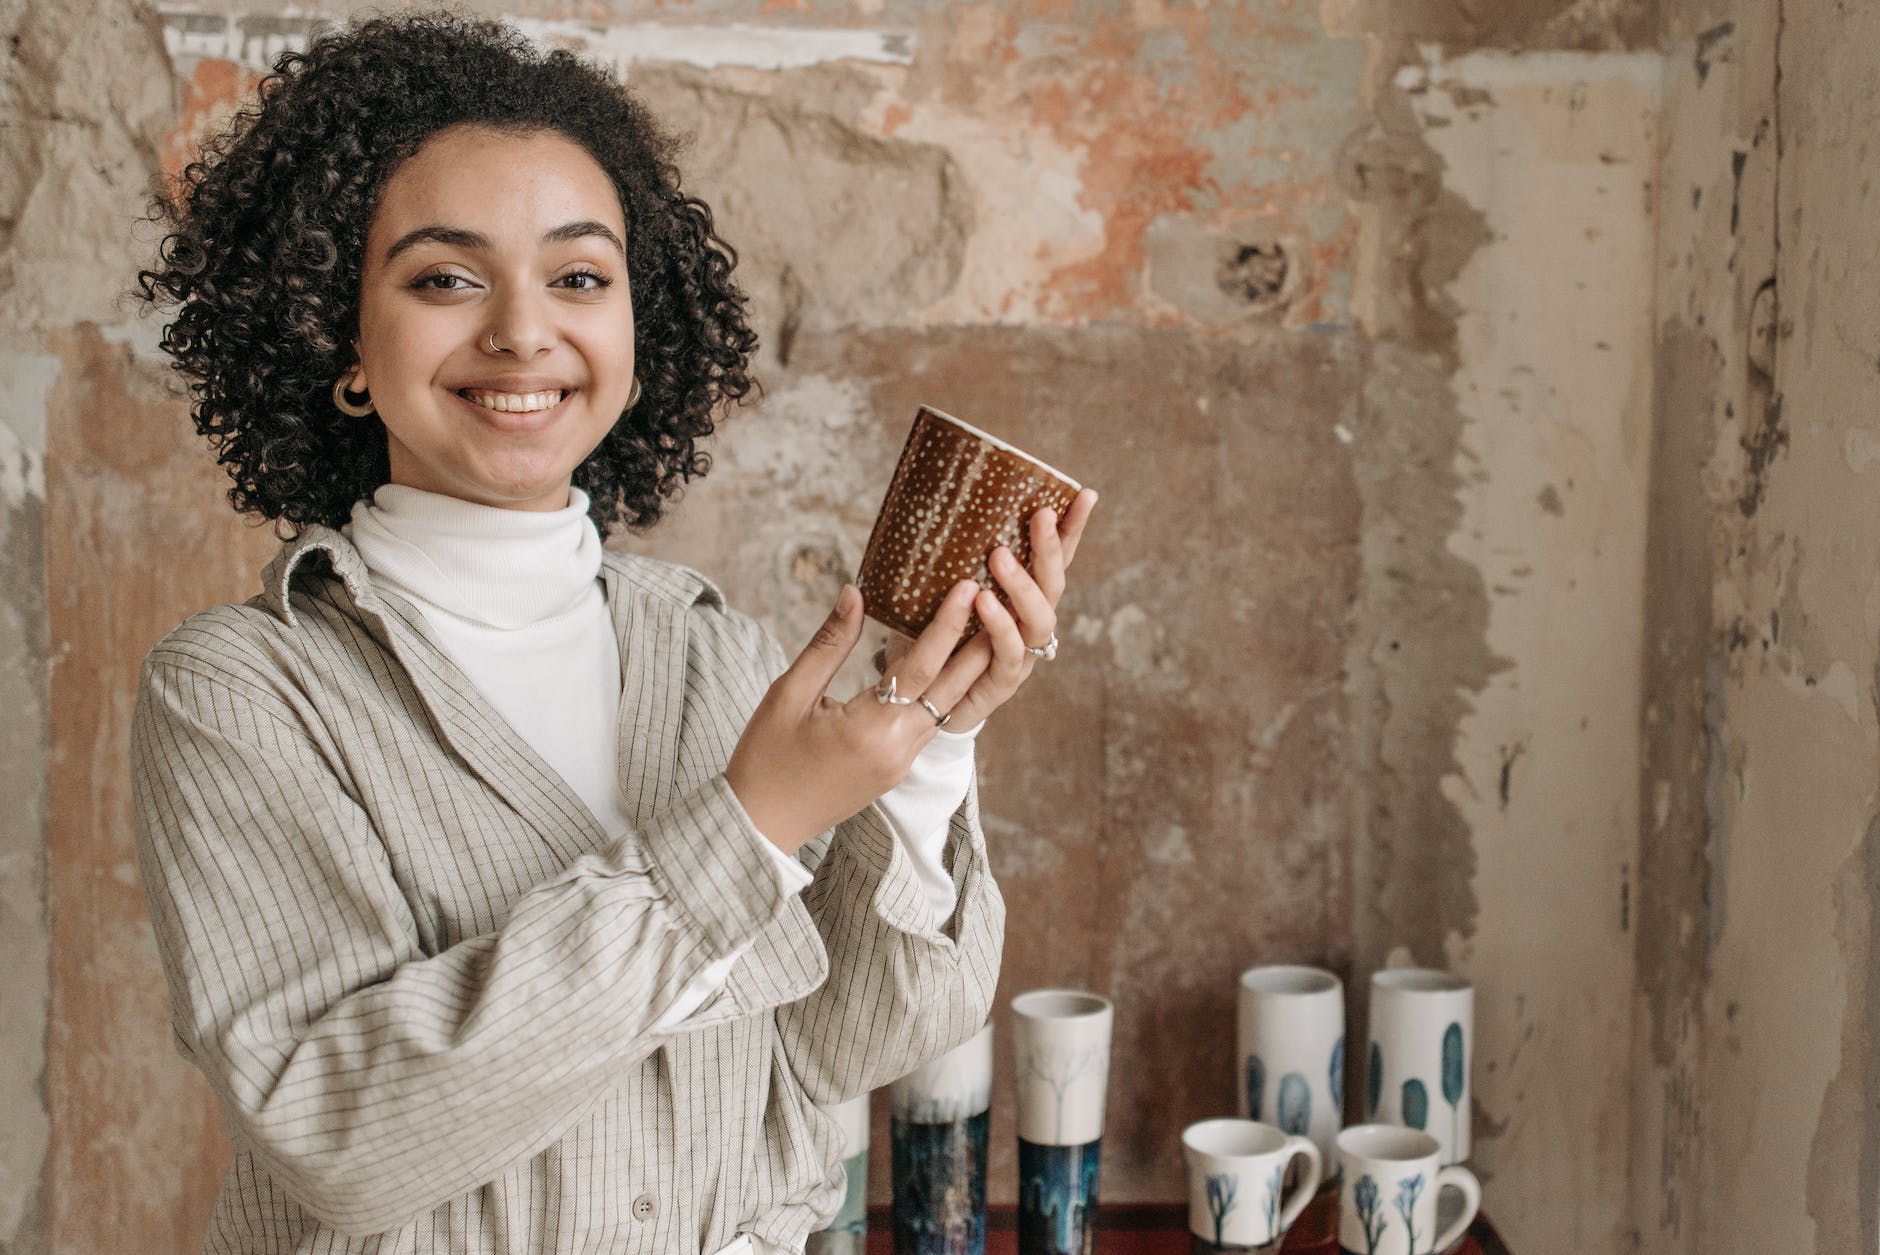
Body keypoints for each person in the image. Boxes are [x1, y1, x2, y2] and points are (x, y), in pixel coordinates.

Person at [129, 11, 1097, 1255]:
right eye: (443, 277)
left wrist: (933, 743)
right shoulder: (242, 692)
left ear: (638, 343)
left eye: (579, 276)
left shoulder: (718, 652)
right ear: (340, 335)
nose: (523, 330)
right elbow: (340, 1137)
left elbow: (837, 1048)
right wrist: (749, 826)